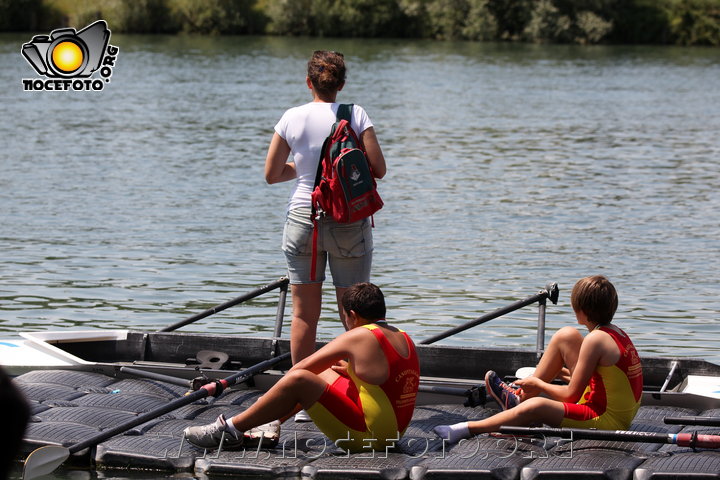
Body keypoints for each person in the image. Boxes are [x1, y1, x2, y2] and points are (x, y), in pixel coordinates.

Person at [184, 283, 420, 453]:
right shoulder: (403, 336)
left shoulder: (359, 335)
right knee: (329, 370)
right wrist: (350, 372)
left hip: (369, 441)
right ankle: (270, 424)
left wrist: (266, 402)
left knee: (301, 379)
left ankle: (229, 430)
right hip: (393, 435)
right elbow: (385, 383)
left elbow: (300, 370)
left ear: (352, 315)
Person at [264, 50, 387, 372]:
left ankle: (302, 395)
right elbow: (379, 169)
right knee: (354, 312)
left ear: (309, 83)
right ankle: (361, 388)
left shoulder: (291, 117)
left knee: (304, 315)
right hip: (348, 219)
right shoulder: (356, 114)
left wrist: (303, 169)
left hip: (303, 218)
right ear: (341, 85)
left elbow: (272, 175)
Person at [434, 275, 643, 443]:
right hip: (614, 408)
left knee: (537, 406)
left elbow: (571, 395)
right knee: (566, 336)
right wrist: (559, 372)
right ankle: (517, 399)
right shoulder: (615, 332)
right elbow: (602, 380)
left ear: (582, 310)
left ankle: (466, 429)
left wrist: (539, 383)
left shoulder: (594, 340)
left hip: (606, 419)